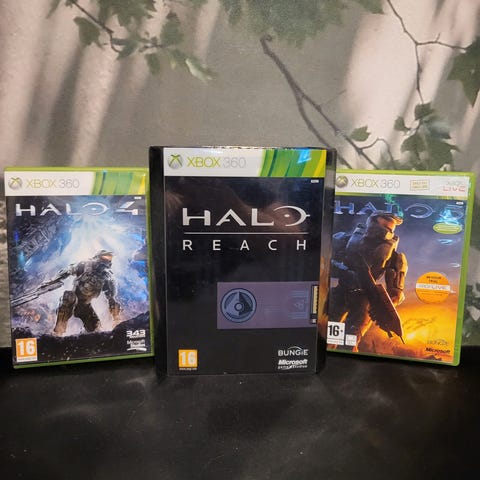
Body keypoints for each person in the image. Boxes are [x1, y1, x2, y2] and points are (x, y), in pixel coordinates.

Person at [329, 211, 407, 351]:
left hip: (365, 300)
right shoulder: (345, 240)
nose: (387, 231)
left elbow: (396, 293)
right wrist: (342, 270)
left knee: (349, 342)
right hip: (341, 292)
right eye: (384, 225)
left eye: (390, 229)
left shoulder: (393, 255)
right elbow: (325, 264)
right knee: (329, 337)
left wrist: (386, 304)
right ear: (372, 222)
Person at [53, 249, 120, 335]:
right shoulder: (83, 265)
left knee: (96, 329)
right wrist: (53, 282)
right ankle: (58, 331)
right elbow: (66, 272)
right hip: (72, 301)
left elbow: (111, 299)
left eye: (110, 258)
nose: (108, 260)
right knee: (69, 296)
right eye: (106, 257)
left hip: (84, 306)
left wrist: (116, 318)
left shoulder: (106, 278)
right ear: (98, 257)